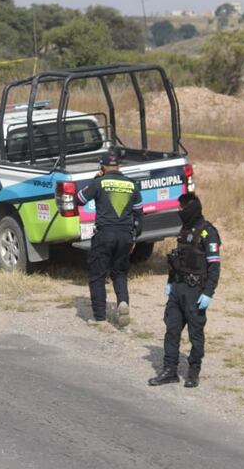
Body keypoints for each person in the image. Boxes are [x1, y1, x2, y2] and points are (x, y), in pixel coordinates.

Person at [149, 192, 221, 389]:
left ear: (190, 209)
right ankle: (169, 371)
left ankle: (193, 372)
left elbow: (214, 266)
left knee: (195, 335)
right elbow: (177, 260)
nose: (178, 211)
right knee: (171, 330)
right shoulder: (184, 230)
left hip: (195, 292)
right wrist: (170, 282)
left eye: (181, 208)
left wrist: (208, 293)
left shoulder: (207, 232)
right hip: (177, 289)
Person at [76, 149, 143, 327]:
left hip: (104, 234)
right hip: (125, 235)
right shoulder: (132, 184)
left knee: (97, 275)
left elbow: (79, 199)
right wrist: (134, 236)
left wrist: (94, 179)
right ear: (118, 165)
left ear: (103, 167)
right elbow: (139, 213)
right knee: (120, 273)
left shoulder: (99, 182)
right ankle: (123, 302)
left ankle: (100, 318)